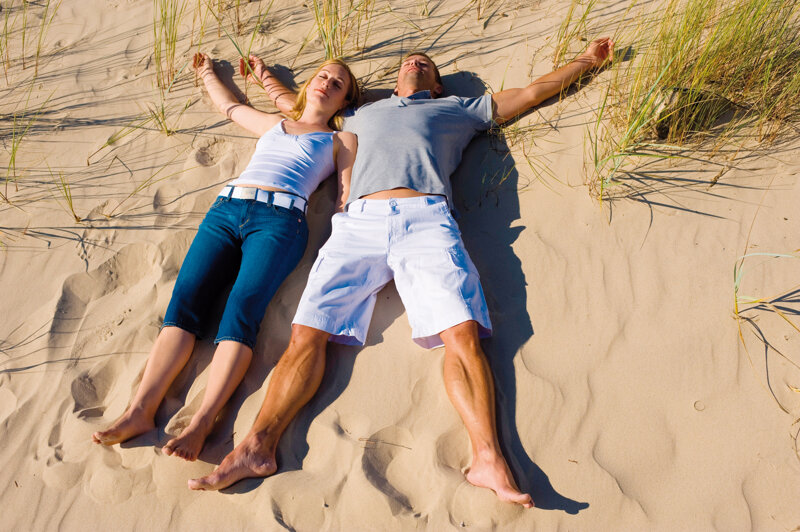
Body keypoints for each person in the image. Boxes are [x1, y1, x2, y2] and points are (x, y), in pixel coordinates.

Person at [188, 38, 614, 506]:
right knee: (307, 334)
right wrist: (264, 77)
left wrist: (588, 60)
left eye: (427, 64)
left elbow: (532, 93)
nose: (417, 61)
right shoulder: (358, 113)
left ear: (435, 83)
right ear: (394, 79)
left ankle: (489, 459)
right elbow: (302, 103)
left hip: (426, 219)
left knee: (462, 333)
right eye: (412, 60)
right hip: (357, 224)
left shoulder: (460, 108)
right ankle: (256, 447)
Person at [90, 53, 359, 462]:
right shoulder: (275, 124)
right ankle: (140, 411)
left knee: (241, 311)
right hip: (226, 209)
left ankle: (202, 423)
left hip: (280, 221)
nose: (327, 82)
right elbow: (231, 107)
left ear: (344, 102)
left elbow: (343, 196)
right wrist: (206, 73)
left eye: (338, 83)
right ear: (308, 84)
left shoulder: (341, 140)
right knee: (185, 304)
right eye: (322, 75)